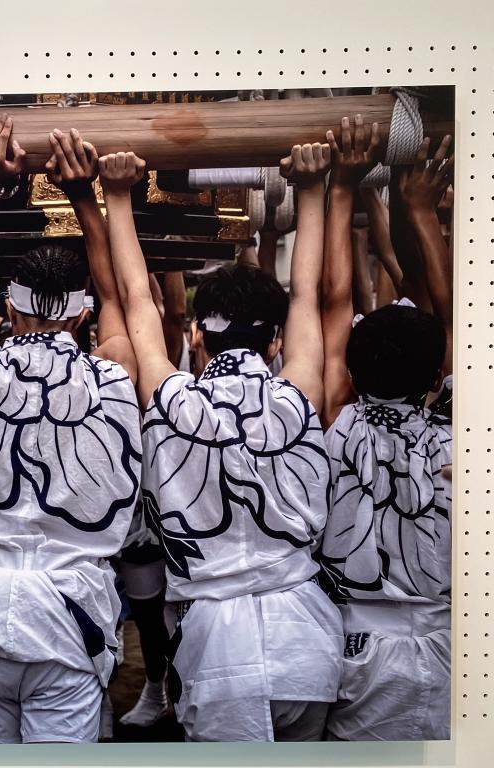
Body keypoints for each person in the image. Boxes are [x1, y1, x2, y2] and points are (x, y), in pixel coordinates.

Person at [101, 142, 343, 741]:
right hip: (304, 639)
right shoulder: (296, 395)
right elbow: (308, 294)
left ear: (196, 337)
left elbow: (136, 300)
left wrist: (120, 196)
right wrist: (312, 191)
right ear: (275, 342)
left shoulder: (173, 399)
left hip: (214, 649)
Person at [0, 116, 143, 744]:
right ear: (81, 315)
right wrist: (86, 197)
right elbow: (119, 300)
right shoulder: (108, 376)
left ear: (12, 306)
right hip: (66, 616)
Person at [318, 124, 453, 741]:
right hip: (448, 644)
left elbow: (335, 304)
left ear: (348, 366)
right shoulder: (459, 429)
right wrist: (420, 210)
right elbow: (460, 328)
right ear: (439, 375)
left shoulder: (333, 420)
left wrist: (344, 193)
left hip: (355, 645)